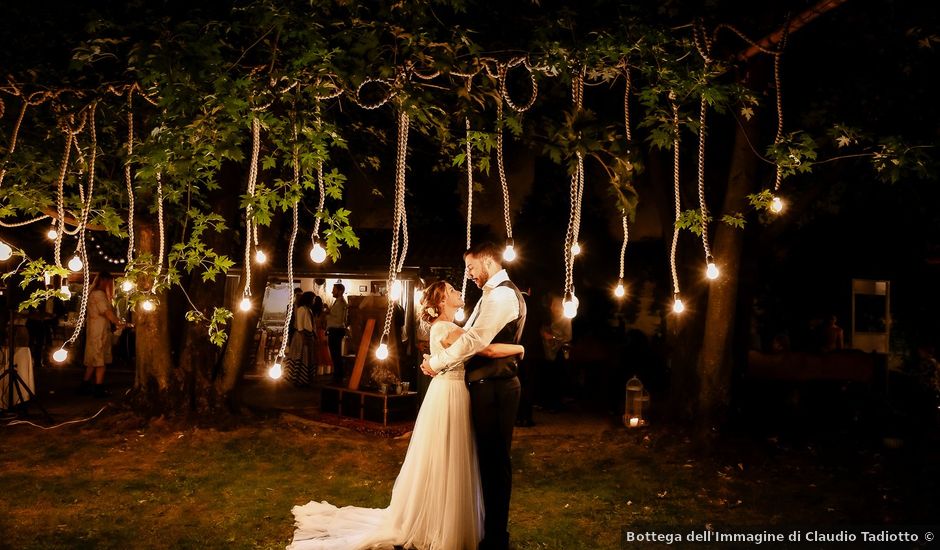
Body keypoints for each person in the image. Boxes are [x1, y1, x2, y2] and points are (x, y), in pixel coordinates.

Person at [287, 280, 523, 549]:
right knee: (449, 452)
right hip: (450, 393)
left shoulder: (446, 328)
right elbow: (488, 349)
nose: (459, 292)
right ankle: (441, 522)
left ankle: (439, 515)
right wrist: (521, 348)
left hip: (448, 391)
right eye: (453, 291)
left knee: (444, 453)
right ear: (443, 301)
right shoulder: (448, 329)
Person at [421, 241, 527, 550]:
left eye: (471, 268)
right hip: (485, 386)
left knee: (495, 462)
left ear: (489, 264)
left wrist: (437, 363)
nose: (468, 275)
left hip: (496, 387)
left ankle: (496, 539)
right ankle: (488, 532)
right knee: (486, 462)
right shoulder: (490, 296)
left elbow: (475, 340)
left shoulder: (503, 295)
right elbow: (472, 338)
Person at [80, 272, 125, 398]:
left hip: (95, 330)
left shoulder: (93, 294)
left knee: (93, 360)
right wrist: (118, 323)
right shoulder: (99, 294)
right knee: (100, 359)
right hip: (98, 331)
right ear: (104, 281)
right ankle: (98, 388)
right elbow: (106, 311)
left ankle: (85, 385)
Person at [287, 291, 316, 387]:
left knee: (308, 357)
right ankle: (299, 379)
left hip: (308, 335)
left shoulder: (308, 309)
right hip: (302, 335)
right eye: (313, 299)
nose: (314, 301)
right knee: (301, 356)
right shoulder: (301, 309)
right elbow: (300, 326)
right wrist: (304, 338)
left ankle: (306, 379)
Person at [325, 283, 348, 386]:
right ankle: (337, 376)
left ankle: (338, 377)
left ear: (340, 291)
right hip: (334, 330)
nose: (332, 292)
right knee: (335, 355)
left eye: (334, 290)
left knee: (336, 355)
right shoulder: (338, 303)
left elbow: (339, 320)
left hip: (336, 331)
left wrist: (327, 315)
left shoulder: (341, 303)